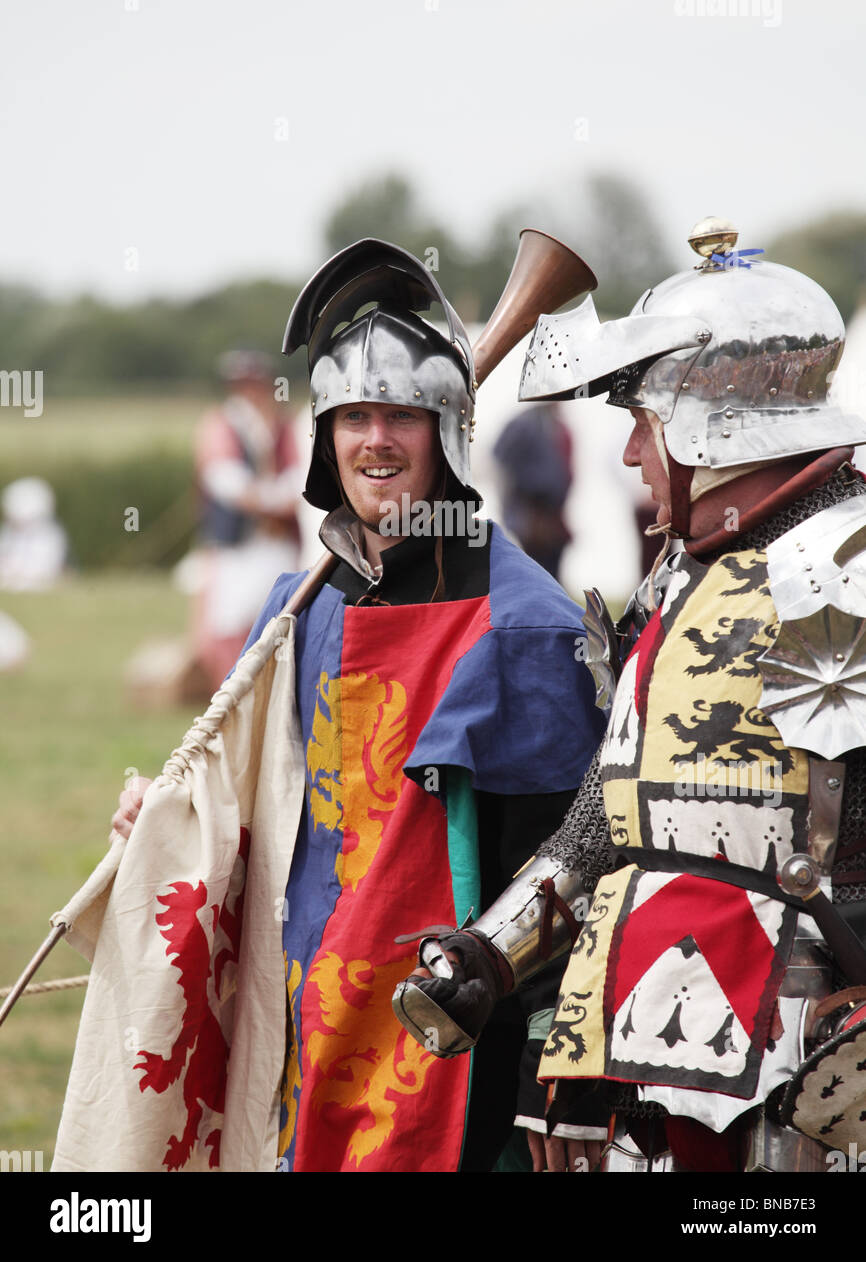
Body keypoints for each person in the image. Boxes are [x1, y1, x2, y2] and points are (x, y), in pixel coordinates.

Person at [115, 238, 604, 1173]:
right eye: (353, 416)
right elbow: (261, 807)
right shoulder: (302, 608)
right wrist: (170, 825)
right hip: (308, 1014)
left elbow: (572, 876)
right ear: (325, 441)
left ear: (448, 435)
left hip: (463, 1056)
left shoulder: (527, 626)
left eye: (401, 417)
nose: (374, 440)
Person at [393, 217, 866, 1172]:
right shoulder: (688, 571)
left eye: (642, 426)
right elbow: (617, 812)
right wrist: (493, 950)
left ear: (706, 424)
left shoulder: (847, 568)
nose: (629, 459)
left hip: (803, 1047)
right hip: (635, 1029)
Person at [190, 349, 302, 689]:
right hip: (237, 542)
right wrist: (271, 500)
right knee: (228, 620)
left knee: (280, 616)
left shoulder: (283, 424)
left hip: (278, 540)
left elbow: (298, 475)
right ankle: (231, 688)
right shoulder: (221, 425)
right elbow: (225, 480)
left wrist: (285, 498)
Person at [492, 404, 573, 581]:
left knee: (551, 578)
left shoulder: (555, 425)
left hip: (551, 517)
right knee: (536, 579)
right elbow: (500, 457)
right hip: (533, 516)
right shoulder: (525, 424)